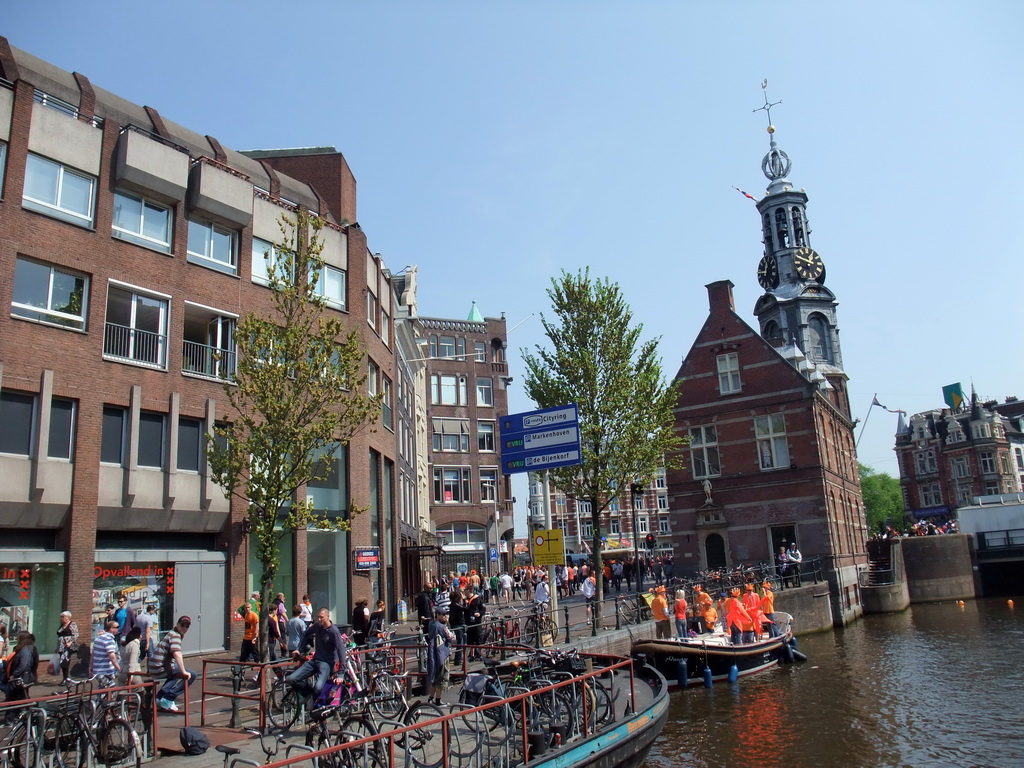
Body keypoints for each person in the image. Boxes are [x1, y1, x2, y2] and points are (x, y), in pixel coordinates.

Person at [286, 608, 347, 701]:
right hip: (315, 660)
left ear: (327, 617)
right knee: (290, 679)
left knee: (318, 687)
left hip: (326, 663)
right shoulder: (317, 626)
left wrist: (341, 674)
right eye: (318, 617)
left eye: (321, 617)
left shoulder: (333, 631)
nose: (319, 619)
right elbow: (305, 634)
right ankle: (309, 694)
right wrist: (298, 649)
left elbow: (341, 651)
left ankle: (314, 705)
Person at [151, 616, 196, 712]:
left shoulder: (172, 633)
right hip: (160, 667)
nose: (184, 628)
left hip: (155, 667)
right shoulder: (175, 636)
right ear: (177, 624)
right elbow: (177, 653)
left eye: (187, 626)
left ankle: (159, 697)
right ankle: (168, 698)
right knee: (192, 675)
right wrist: (184, 671)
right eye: (182, 625)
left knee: (175, 673)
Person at [425, 610, 454, 706]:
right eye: (443, 615)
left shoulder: (431, 624)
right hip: (442, 654)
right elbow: (450, 637)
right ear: (437, 615)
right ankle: (438, 700)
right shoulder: (442, 627)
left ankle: (430, 698)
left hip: (433, 653)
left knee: (435, 676)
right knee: (442, 678)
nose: (445, 616)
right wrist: (446, 624)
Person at [2, 632, 39, 702]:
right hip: (23, 677)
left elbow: (24, 665)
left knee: (13, 697)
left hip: (20, 678)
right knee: (21, 697)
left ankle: (15, 711)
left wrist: (14, 674)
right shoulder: (25, 649)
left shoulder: (25, 650)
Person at [91, 619, 121, 687]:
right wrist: (119, 669)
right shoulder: (109, 640)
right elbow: (112, 657)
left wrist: (91, 667)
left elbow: (93, 654)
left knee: (104, 690)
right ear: (111, 629)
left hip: (97, 670)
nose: (118, 629)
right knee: (108, 690)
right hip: (105, 671)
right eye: (117, 627)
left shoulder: (98, 638)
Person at [55, 611, 79, 685]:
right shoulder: (62, 626)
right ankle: (65, 678)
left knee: (65, 661)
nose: (61, 618)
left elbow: (76, 634)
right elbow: (59, 635)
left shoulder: (72, 624)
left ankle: (66, 678)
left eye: (63, 617)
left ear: (67, 617)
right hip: (61, 646)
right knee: (62, 662)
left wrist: (70, 642)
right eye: (61, 617)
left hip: (67, 646)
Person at [464, 591, 485, 661]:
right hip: (469, 622)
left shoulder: (478, 599)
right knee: (470, 639)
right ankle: (472, 655)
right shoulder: (465, 600)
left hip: (476, 621)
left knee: (479, 637)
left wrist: (479, 613)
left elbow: (483, 609)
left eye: (465, 592)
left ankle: (480, 654)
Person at [448, 591, 466, 666]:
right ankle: (458, 660)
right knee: (460, 641)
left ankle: (458, 659)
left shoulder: (453, 604)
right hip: (457, 624)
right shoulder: (455, 605)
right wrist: (464, 600)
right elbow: (465, 609)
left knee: (460, 641)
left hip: (455, 624)